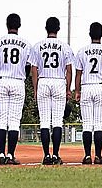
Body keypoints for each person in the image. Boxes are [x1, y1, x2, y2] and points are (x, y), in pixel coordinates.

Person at [30, 16, 74, 165]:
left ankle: (46, 155)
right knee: (57, 121)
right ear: (58, 29)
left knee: (44, 122)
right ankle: (55, 155)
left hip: (43, 80)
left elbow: (34, 69)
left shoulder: (37, 46)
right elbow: (69, 70)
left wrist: (35, 89)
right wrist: (68, 88)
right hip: (59, 82)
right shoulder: (65, 46)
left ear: (46, 29)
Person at [73, 22, 102, 164]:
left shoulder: (82, 51)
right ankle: (98, 156)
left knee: (87, 124)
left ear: (89, 34)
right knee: (99, 124)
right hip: (101, 87)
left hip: (86, 86)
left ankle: (87, 156)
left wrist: (77, 91)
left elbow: (78, 74)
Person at [0, 13, 30, 165]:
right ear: (19, 25)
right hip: (18, 81)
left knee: (1, 121)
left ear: (7, 25)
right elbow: (27, 66)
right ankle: (11, 155)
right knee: (14, 121)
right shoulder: (25, 43)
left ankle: (1, 154)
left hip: (1, 80)